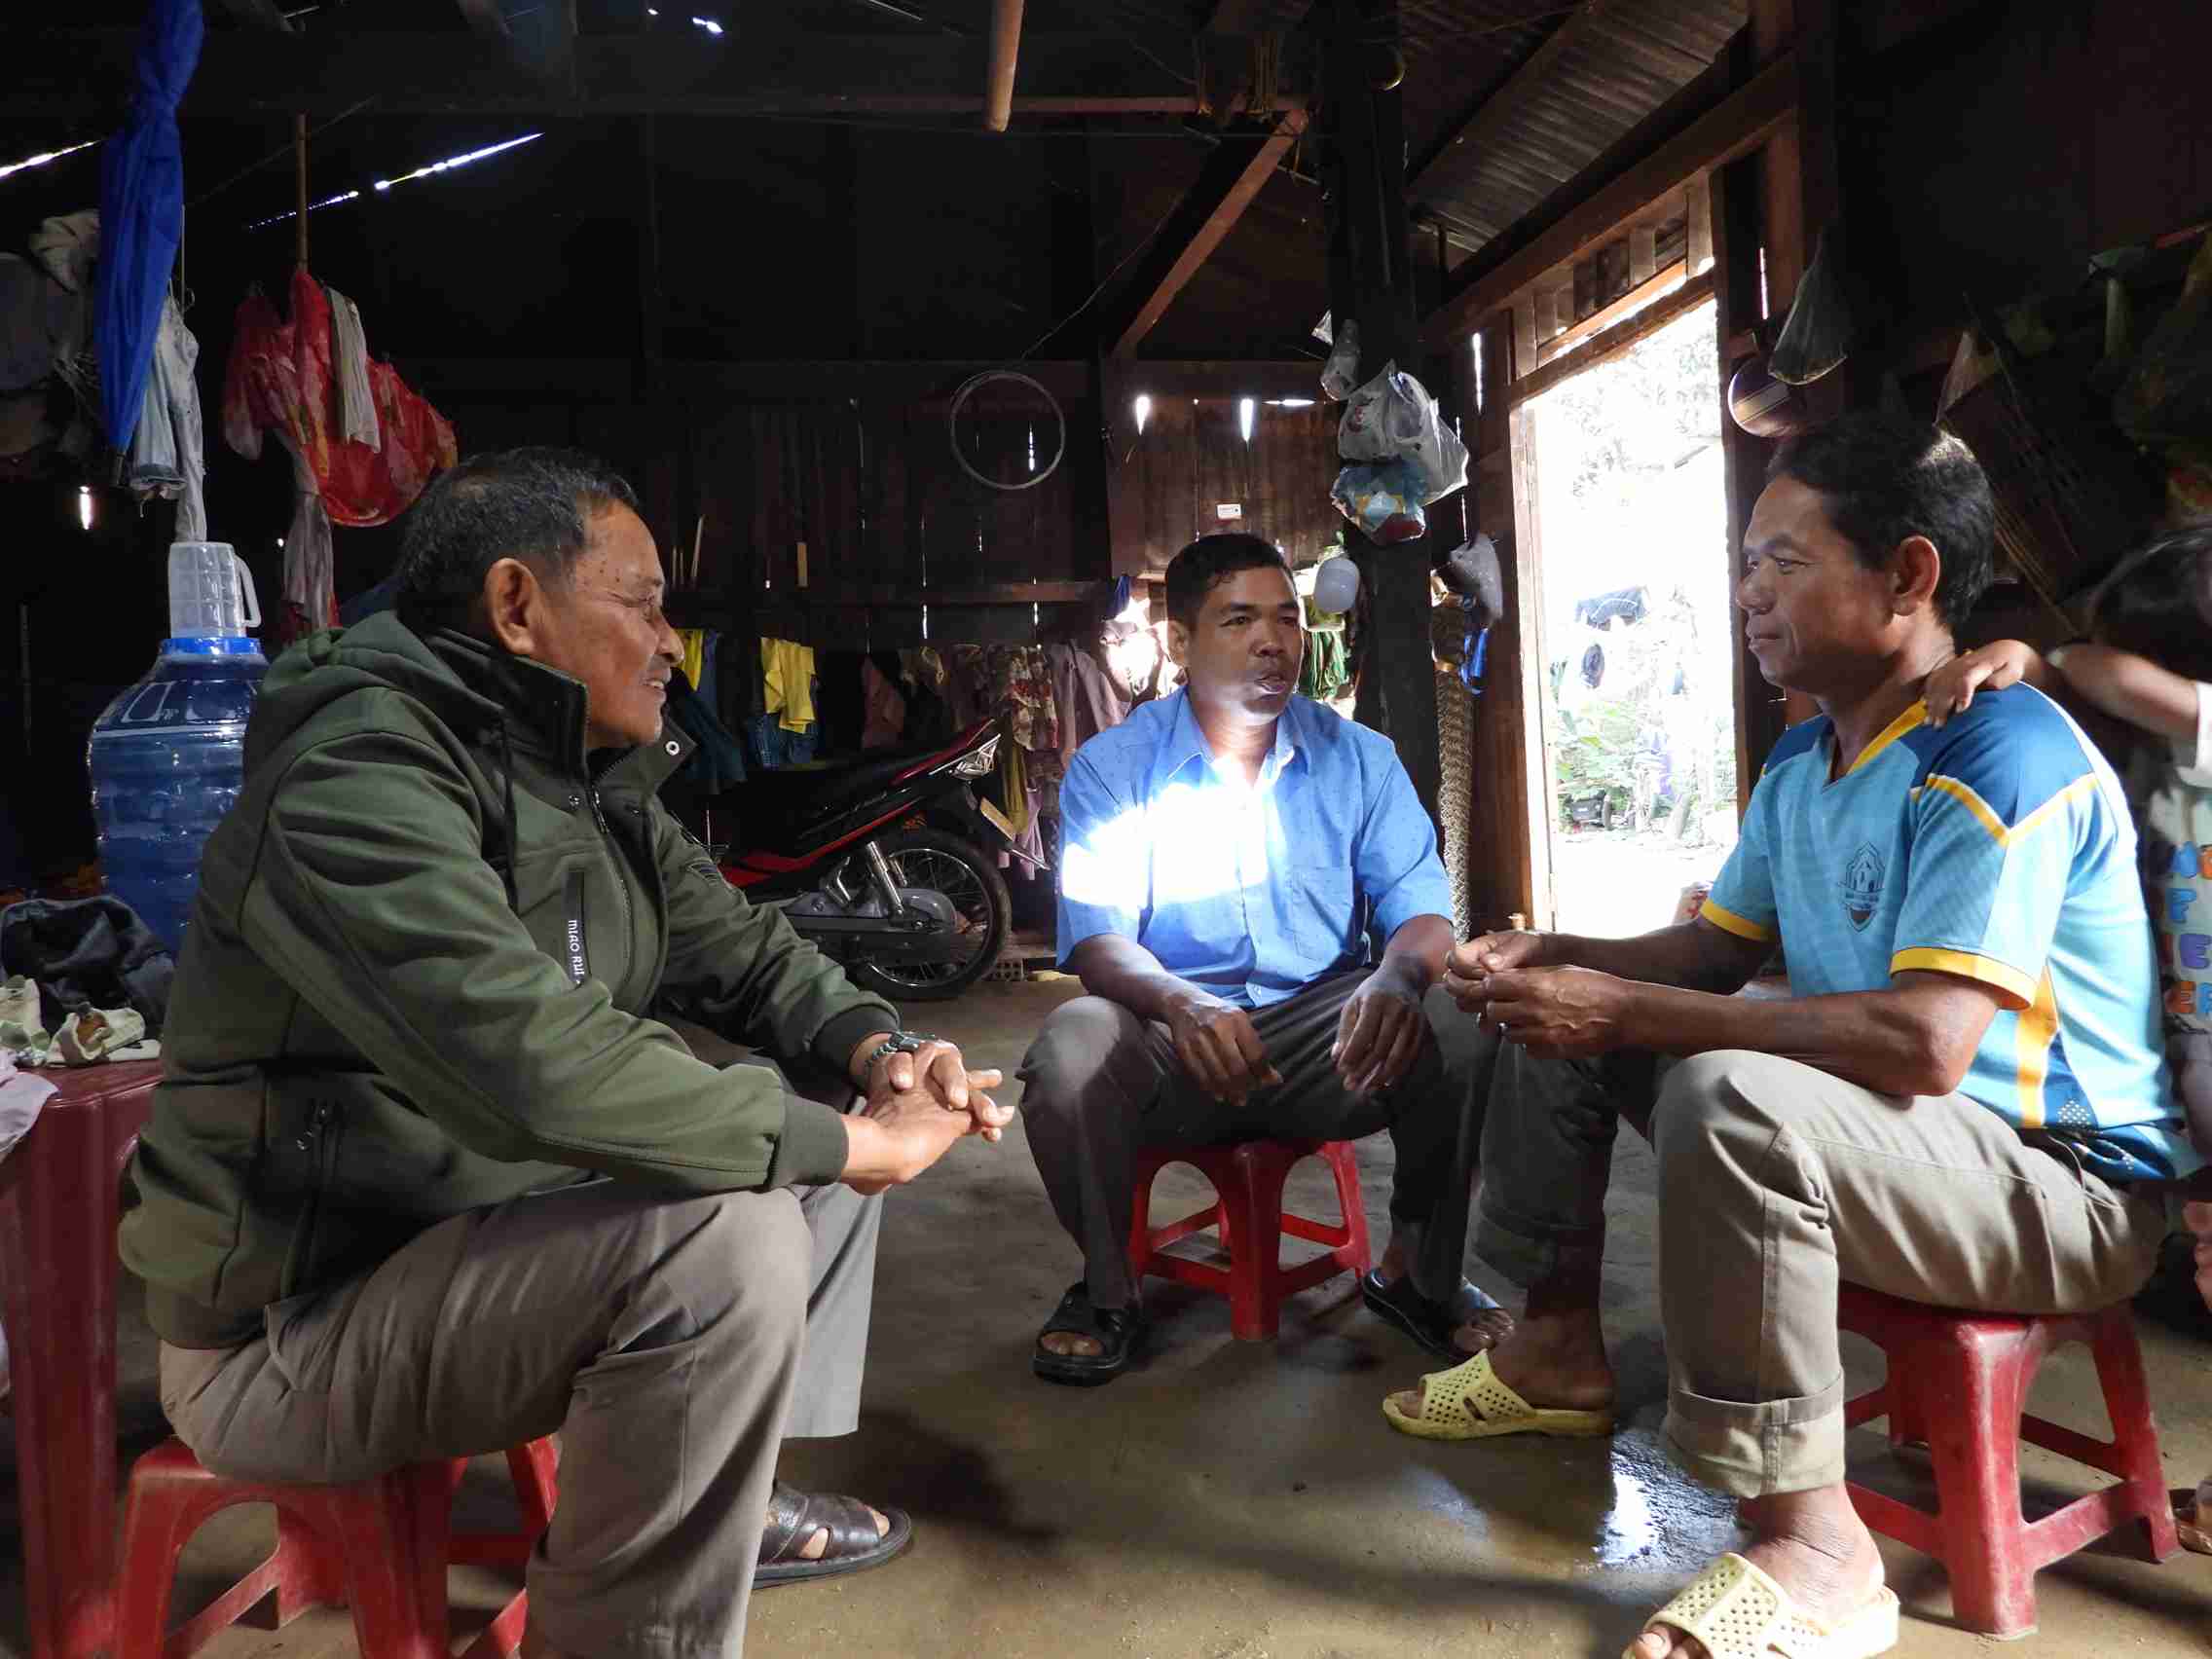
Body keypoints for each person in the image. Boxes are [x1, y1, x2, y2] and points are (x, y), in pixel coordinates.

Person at [121, 448, 1014, 1659]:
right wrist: (859, 1144)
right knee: (732, 1236)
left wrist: (887, 1054)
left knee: (793, 1112)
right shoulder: (356, 776)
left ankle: (728, 1493)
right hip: (290, 1329)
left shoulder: (586, 783)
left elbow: (748, 954)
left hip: (465, 1233)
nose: (672, 645)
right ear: (515, 604)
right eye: (641, 603)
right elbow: (530, 1066)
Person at [1379, 414, 2198, 1659]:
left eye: (1780, 562)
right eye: (1745, 564)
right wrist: (1553, 955)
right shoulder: (1808, 759)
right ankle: (1551, 1352)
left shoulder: (1998, 747)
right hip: (1914, 1147)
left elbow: (1927, 1045)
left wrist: (1628, 1007)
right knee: (1537, 1009)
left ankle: (1814, 1544)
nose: (1747, 593)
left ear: (1907, 575)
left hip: (2061, 1185)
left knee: (1728, 1097)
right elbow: (1711, 954)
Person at [1016, 532, 1509, 1385]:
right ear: (1181, 642)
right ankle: (1108, 1288)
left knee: (1460, 1011)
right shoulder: (1114, 767)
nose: (1273, 641)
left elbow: (1422, 908)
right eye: (1240, 620)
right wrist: (1181, 1003)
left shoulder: (1360, 758)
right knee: (1072, 1046)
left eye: (1287, 619)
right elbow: (1098, 941)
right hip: (1171, 1041)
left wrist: (1397, 977)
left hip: (1329, 1041)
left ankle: (1416, 1274)